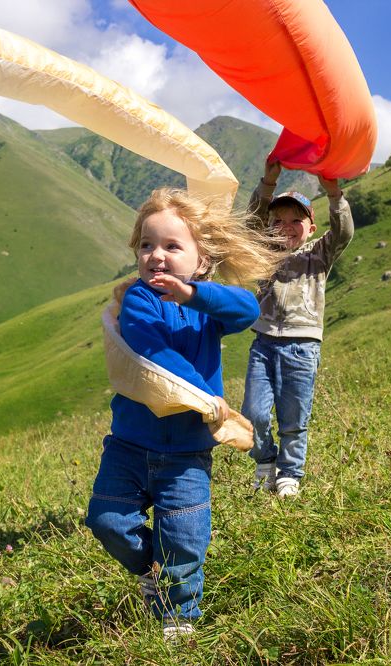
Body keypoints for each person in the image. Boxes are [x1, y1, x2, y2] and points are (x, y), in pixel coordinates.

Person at [85, 187, 282, 640]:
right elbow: (151, 351)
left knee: (186, 537)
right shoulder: (138, 300)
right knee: (107, 521)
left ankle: (179, 618)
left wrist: (192, 294)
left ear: (202, 260)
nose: (157, 256)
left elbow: (247, 309)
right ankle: (150, 570)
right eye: (147, 245)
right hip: (130, 444)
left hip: (189, 452)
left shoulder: (205, 305)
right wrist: (202, 395)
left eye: (173, 246)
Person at [241, 160, 354, 497]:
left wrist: (334, 194)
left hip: (303, 346)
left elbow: (344, 231)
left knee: (294, 414)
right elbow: (252, 220)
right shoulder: (263, 252)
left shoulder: (320, 253)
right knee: (254, 412)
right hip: (263, 343)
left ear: (311, 226)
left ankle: (290, 473)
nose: (285, 227)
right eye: (278, 221)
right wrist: (267, 184)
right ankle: (265, 460)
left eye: (295, 221)